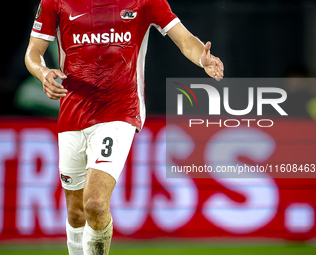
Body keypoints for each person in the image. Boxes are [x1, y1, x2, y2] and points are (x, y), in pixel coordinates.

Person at [25, 0, 224, 254]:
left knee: (95, 203)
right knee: (76, 213)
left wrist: (202, 58)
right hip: (73, 111)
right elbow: (33, 52)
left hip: (120, 111)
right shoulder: (55, 2)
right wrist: (43, 72)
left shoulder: (145, 1)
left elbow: (185, 40)